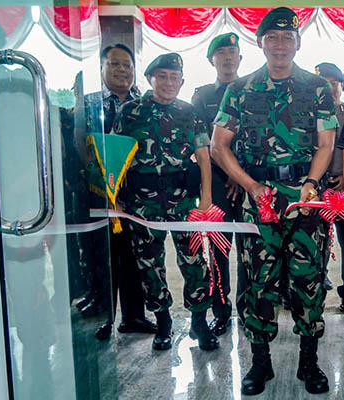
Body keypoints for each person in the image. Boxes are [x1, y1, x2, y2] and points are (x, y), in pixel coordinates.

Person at [210, 7, 338, 395]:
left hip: (304, 198)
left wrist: (313, 183)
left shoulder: (317, 88)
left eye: (287, 38)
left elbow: (326, 143)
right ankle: (259, 363)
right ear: (260, 42)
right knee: (259, 283)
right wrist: (249, 185)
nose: (280, 45)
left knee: (308, 281)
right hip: (259, 198)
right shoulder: (240, 89)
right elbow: (219, 146)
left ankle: (309, 362)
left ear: (297, 43)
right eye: (272, 38)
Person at [112, 53, 217, 352]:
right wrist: (116, 200)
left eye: (174, 78)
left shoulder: (189, 112)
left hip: (183, 201)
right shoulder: (130, 112)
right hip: (142, 204)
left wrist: (206, 197)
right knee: (150, 266)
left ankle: (199, 322)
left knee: (195, 262)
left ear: (182, 82)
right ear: (150, 78)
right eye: (163, 76)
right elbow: (116, 158)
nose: (169, 83)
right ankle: (164, 323)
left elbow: (204, 155)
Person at [83, 44, 157, 340]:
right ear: (102, 68)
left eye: (127, 65)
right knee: (103, 256)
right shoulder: (89, 104)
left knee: (134, 255)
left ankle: (134, 316)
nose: (122, 70)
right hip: (101, 192)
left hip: (136, 194)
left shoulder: (145, 104)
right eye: (115, 64)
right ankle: (105, 317)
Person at [191, 32, 243, 336]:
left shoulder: (252, 90)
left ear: (240, 58)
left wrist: (241, 176)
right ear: (212, 59)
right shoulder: (202, 97)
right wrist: (225, 178)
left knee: (250, 251)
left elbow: (258, 141)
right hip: (218, 186)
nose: (227, 57)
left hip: (248, 184)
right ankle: (221, 311)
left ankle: (248, 308)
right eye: (221, 52)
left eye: (232, 52)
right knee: (219, 252)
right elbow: (200, 144)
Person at [315, 62, 344, 313]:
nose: (329, 88)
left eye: (333, 83)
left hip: (343, 186)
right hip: (317, 188)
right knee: (315, 239)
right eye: (325, 84)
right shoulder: (309, 113)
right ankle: (317, 283)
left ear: (341, 86)